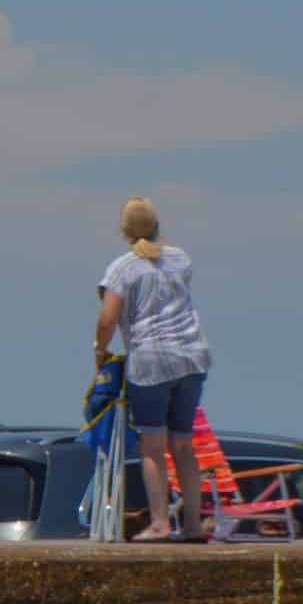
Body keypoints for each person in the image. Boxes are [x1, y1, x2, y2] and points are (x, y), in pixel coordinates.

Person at [93, 198, 211, 542]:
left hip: (151, 360)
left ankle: (160, 522)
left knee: (153, 446)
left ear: (124, 231)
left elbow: (107, 319)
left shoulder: (122, 268)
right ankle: (191, 525)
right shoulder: (181, 258)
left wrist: (100, 351)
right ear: (157, 225)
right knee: (184, 445)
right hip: (192, 356)